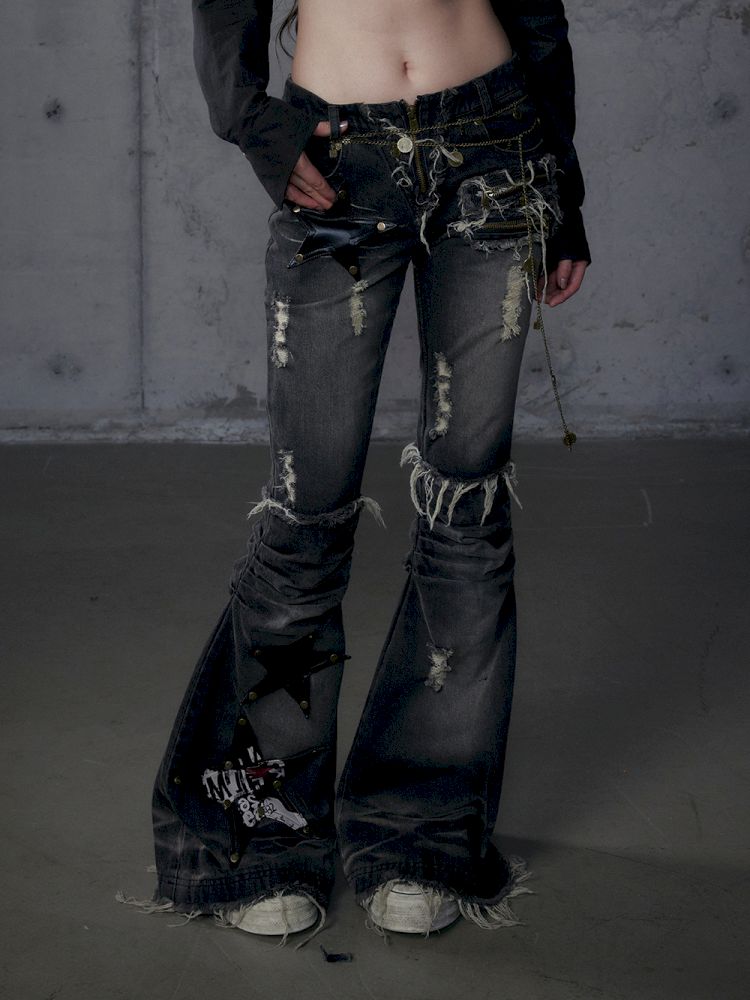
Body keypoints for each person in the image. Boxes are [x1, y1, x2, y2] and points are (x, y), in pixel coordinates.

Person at [139, 0, 590, 942]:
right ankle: (259, 834)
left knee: (467, 509)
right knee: (305, 517)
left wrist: (564, 183)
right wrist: (252, 120)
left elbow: (537, 13)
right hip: (340, 159)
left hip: (498, 153)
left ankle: (421, 830)